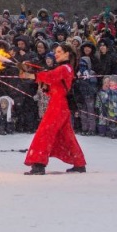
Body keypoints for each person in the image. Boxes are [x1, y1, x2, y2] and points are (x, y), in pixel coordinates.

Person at [23, 43, 87, 174]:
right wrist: (43, 82)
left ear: (67, 54)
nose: (56, 54)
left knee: (44, 133)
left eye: (59, 51)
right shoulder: (66, 68)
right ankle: (79, 163)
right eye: (55, 52)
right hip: (60, 104)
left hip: (58, 105)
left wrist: (32, 75)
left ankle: (38, 164)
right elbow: (53, 84)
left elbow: (50, 76)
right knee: (67, 136)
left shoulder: (64, 68)